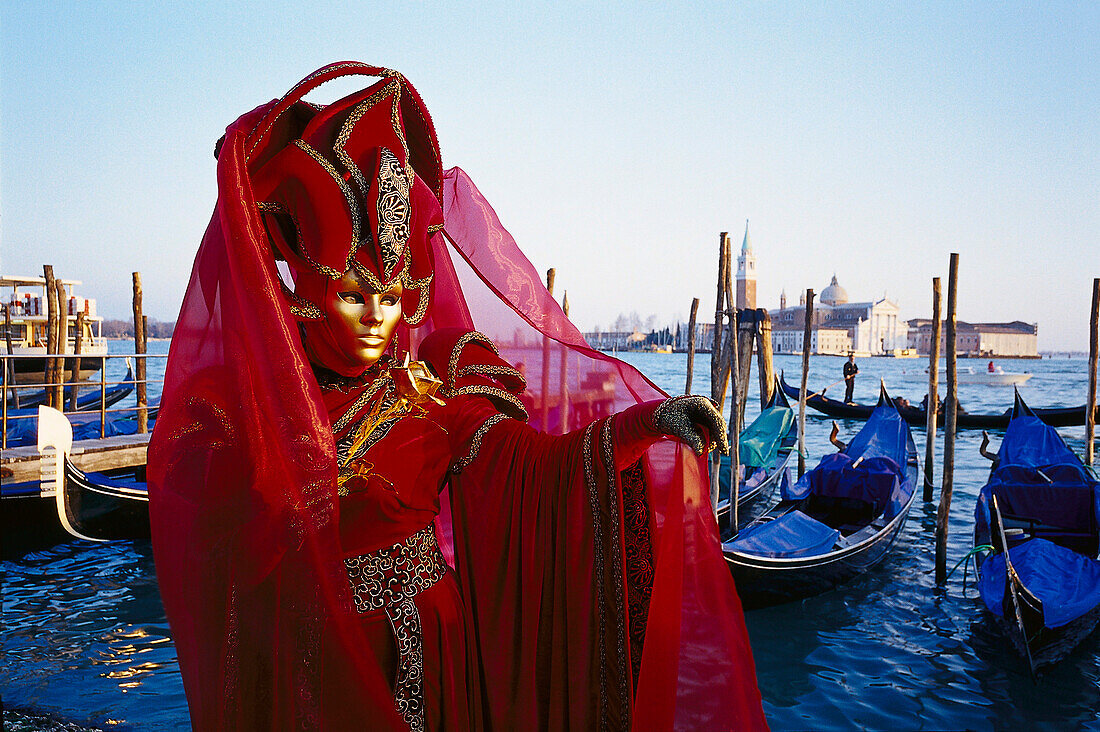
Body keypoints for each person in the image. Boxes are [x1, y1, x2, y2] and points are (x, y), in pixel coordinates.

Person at [148, 63, 766, 731]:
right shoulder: (241, 405)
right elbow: (209, 547)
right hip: (309, 657)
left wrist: (647, 423)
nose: (376, 320)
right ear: (305, 288)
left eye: (390, 299)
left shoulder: (436, 384)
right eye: (354, 296)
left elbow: (535, 471)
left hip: (425, 651)